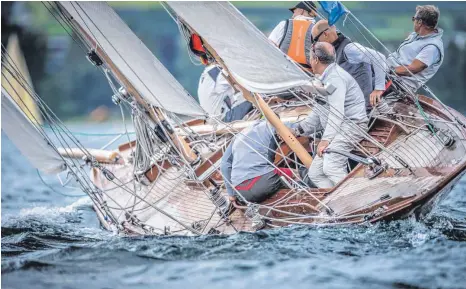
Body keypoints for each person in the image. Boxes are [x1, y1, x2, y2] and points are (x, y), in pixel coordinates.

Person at [294, 42, 368, 188]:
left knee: (331, 166)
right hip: (339, 128)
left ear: (315, 59)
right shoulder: (323, 78)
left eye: (310, 56)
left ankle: (354, 196)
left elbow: (336, 112)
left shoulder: (335, 79)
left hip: (353, 125)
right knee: (315, 173)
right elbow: (319, 110)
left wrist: (325, 140)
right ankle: (337, 199)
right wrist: (298, 130)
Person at [311, 20, 387, 111]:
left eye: (315, 40)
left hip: (358, 109)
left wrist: (378, 89)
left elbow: (379, 57)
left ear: (325, 34)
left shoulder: (349, 48)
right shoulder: (333, 51)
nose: (316, 44)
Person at [220, 120, 294, 203]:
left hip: (241, 192)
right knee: (295, 174)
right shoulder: (273, 124)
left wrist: (231, 194)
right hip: (264, 181)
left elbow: (224, 165)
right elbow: (301, 127)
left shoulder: (238, 136)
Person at [384, 5, 444, 100]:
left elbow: (411, 70)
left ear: (419, 22)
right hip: (387, 74)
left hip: (396, 85)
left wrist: (386, 70)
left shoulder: (432, 47)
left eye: (414, 19)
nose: (413, 22)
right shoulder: (416, 35)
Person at [268, 1, 318, 70]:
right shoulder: (317, 30)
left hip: (284, 69)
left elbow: (270, 45)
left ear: (301, 11)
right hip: (307, 73)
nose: (292, 15)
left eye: (294, 12)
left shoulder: (284, 24)